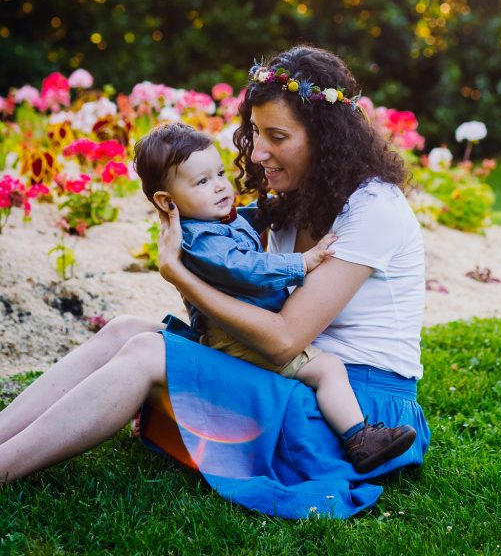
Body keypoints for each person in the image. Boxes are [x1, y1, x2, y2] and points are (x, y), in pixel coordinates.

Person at [0, 45, 430, 518]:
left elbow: (285, 340)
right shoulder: (298, 196)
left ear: (326, 138)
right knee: (126, 330)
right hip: (300, 378)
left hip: (357, 414)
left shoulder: (373, 209)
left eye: (277, 135)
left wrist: (179, 275)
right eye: (256, 132)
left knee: (147, 354)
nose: (259, 151)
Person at [132, 121, 417, 472]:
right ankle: (359, 437)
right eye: (203, 182)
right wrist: (303, 261)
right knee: (327, 367)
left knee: (138, 340)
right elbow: (247, 267)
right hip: (243, 339)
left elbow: (250, 219)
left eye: (220, 173)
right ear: (166, 200)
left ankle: (163, 413)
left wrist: (275, 210)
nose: (221, 186)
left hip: (249, 337)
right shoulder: (205, 240)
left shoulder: (216, 223)